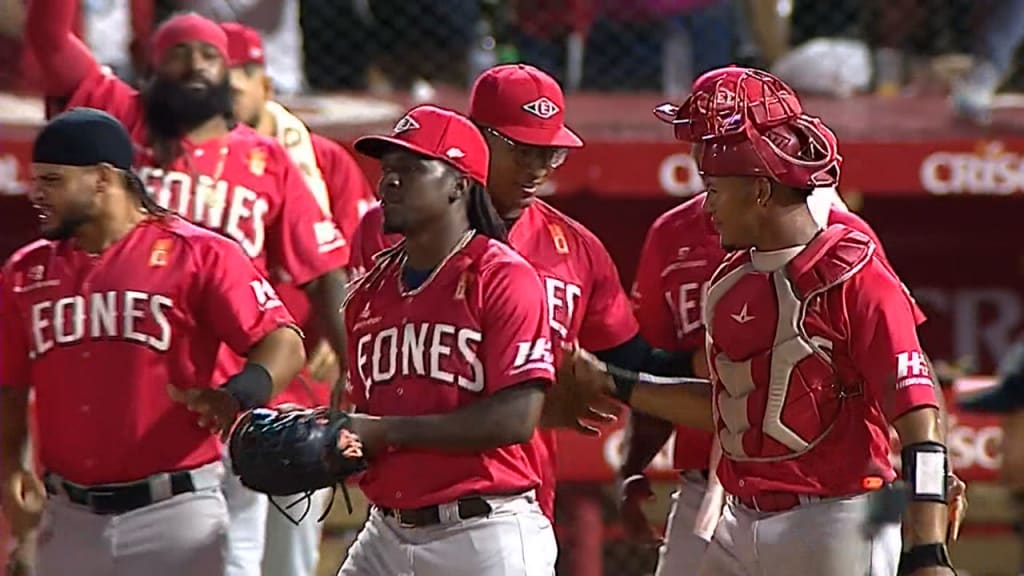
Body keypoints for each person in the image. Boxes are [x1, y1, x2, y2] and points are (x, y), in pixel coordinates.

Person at [571, 66, 956, 576]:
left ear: (758, 189)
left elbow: (917, 405)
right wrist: (611, 384)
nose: (706, 204)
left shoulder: (853, 267)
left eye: (714, 186)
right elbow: (729, 404)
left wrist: (928, 547)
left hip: (835, 516)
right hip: (736, 512)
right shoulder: (731, 278)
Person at [24, 10, 352, 574]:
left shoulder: (267, 159)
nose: (195, 64)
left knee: (238, 560)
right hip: (139, 384)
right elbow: (48, 38)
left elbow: (324, 271)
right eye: (179, 52)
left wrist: (352, 370)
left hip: (235, 391)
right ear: (151, 67)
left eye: (209, 54)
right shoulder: (124, 119)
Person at [352, 64, 697, 524]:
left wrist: (707, 364)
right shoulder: (389, 231)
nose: (537, 168)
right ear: (476, 138)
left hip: (514, 495)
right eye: (522, 150)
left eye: (551, 153)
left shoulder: (577, 249)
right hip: (406, 493)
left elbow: (634, 361)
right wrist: (526, 407)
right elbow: (396, 368)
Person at [0, 107, 306, 576]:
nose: (36, 193)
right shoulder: (25, 273)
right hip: (67, 515)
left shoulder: (199, 254)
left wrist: (237, 395)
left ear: (103, 179)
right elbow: (9, 388)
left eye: (53, 181)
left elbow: (283, 341)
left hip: (174, 513)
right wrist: (9, 471)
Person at [339, 104, 557, 576]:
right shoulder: (369, 293)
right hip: (386, 532)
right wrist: (328, 439)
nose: (389, 182)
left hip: (483, 533)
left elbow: (515, 419)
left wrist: (386, 431)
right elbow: (368, 414)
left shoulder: (502, 276)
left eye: (411, 169)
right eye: (388, 170)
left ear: (459, 183)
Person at [220, 22, 374, 576]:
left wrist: (345, 332)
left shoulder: (323, 161)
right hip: (222, 382)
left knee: (289, 555)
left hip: (301, 386)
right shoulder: (197, 163)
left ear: (264, 83)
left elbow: (364, 263)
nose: (228, 92)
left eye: (238, 77)